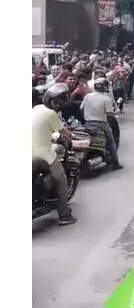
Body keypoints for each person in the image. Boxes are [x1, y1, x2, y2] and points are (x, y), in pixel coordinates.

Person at [33, 84, 77, 226]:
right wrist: (70, 136)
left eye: (60, 103)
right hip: (43, 154)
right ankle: (64, 215)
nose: (58, 105)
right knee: (61, 179)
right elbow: (64, 134)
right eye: (56, 102)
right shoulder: (52, 114)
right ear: (49, 100)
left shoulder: (36, 109)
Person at [81, 78, 121, 171]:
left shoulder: (88, 96)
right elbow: (109, 113)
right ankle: (115, 163)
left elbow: (81, 108)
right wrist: (116, 113)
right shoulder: (106, 99)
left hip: (88, 124)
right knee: (111, 142)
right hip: (101, 124)